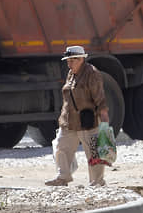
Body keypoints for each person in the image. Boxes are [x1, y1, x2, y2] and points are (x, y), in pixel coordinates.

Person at [45, 45, 110, 187]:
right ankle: (62, 178)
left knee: (94, 152)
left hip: (88, 121)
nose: (69, 64)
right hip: (69, 121)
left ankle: (97, 182)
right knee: (60, 147)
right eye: (68, 61)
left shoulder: (92, 73)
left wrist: (105, 125)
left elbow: (100, 99)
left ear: (81, 59)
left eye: (72, 60)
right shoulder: (71, 73)